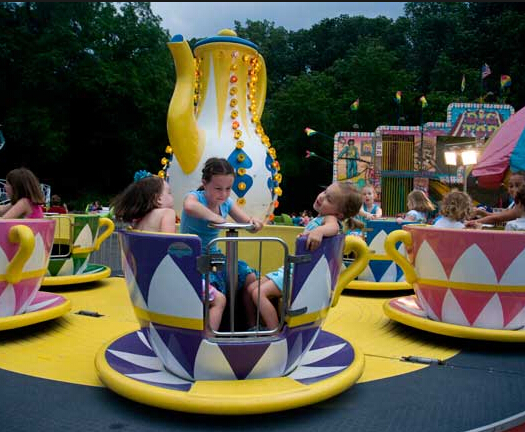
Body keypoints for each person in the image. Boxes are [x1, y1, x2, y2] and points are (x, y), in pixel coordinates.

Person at [246, 181, 362, 330]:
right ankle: (258, 324)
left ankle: (274, 331)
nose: (322, 197)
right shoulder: (320, 218)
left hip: (297, 273)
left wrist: (319, 232)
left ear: (339, 213)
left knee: (258, 293)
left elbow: (332, 228)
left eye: (329, 199)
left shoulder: (330, 219)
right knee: (251, 288)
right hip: (291, 268)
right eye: (325, 192)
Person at [179, 157, 263, 330]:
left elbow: (247, 223)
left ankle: (250, 325)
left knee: (250, 277)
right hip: (194, 258)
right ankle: (209, 335)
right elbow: (189, 206)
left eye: (228, 189)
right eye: (218, 188)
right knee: (216, 289)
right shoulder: (196, 197)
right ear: (205, 183)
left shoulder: (227, 203)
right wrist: (215, 217)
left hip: (215, 256)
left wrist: (254, 223)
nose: (223, 194)